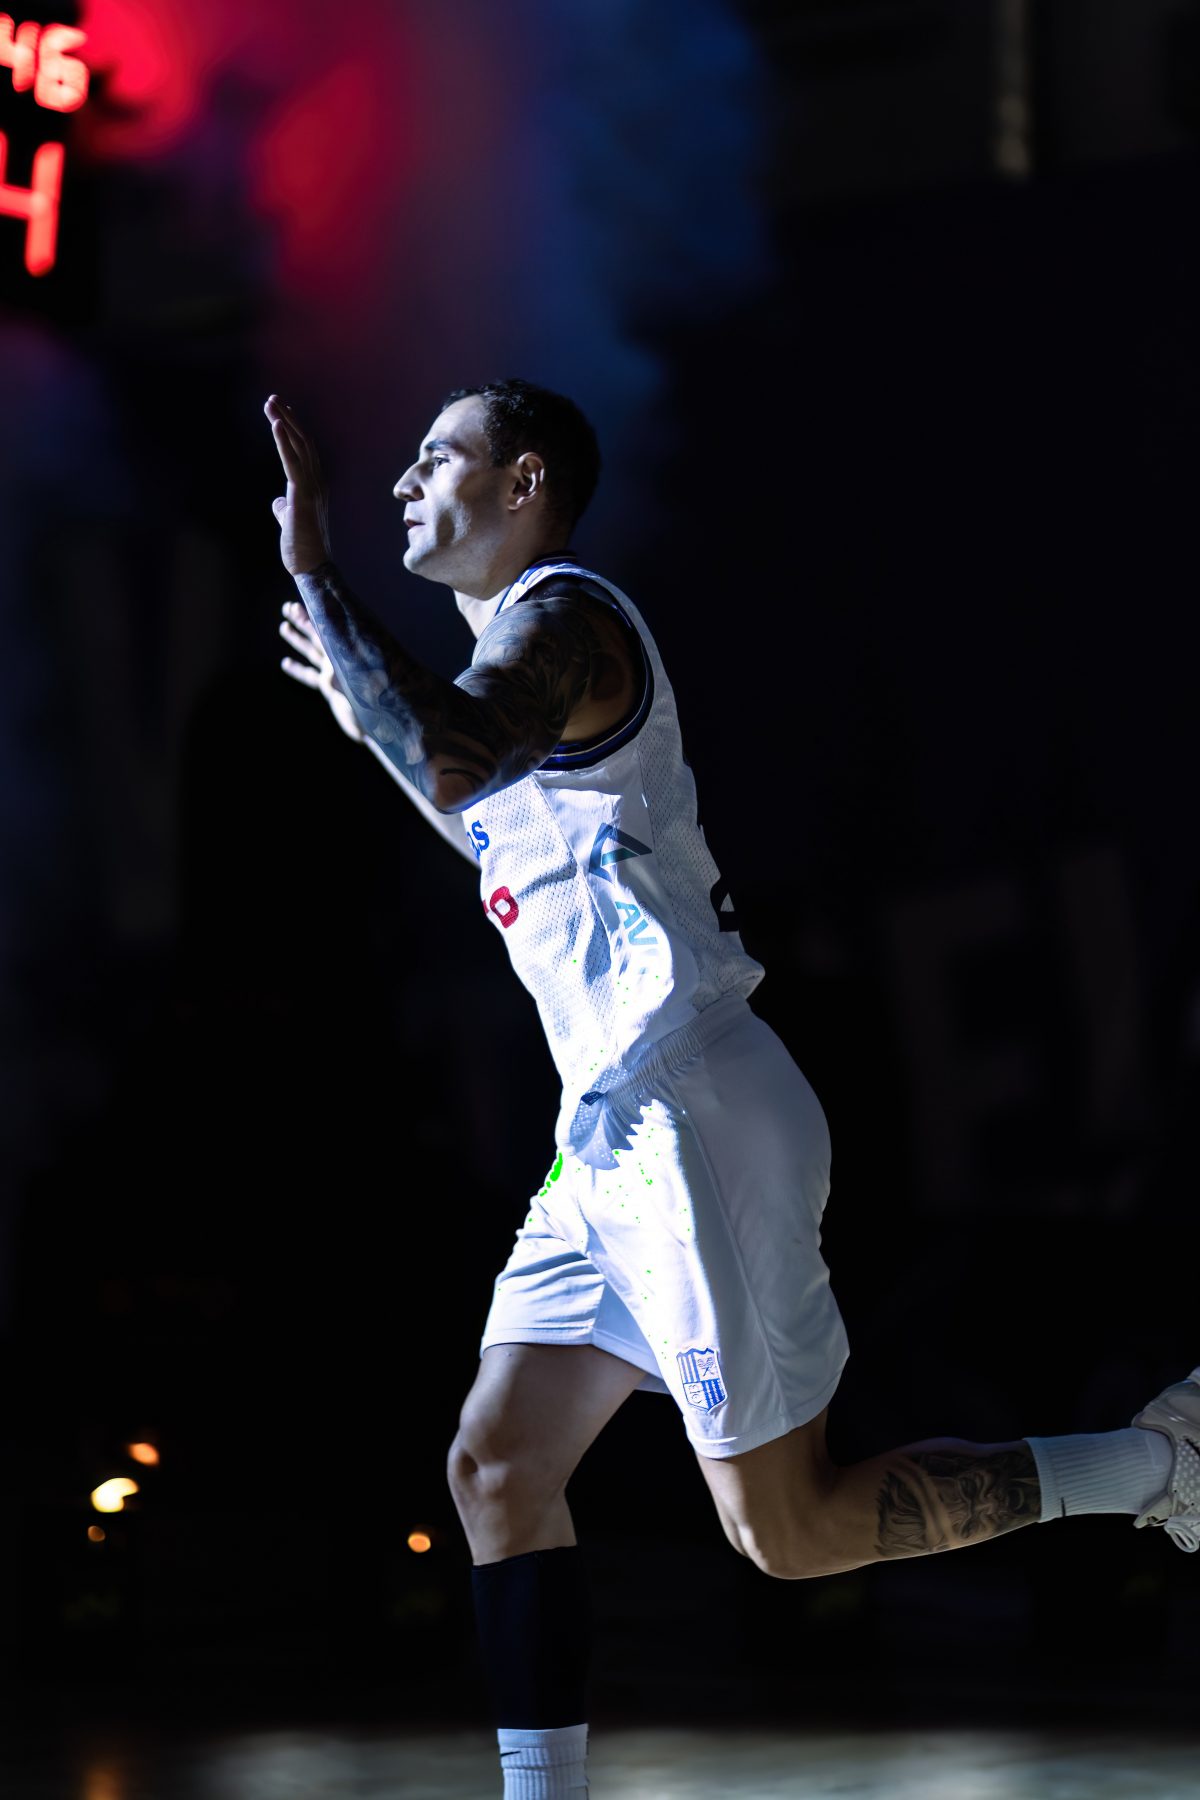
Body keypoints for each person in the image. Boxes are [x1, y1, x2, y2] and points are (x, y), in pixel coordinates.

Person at [266, 379, 1200, 1798]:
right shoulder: (509, 672)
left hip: (690, 1111)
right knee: (498, 1465)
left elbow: (453, 758)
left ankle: (1159, 1467)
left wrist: (317, 573)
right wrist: (369, 705)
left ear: (524, 484)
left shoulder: (566, 623)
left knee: (792, 1534)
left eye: (436, 456)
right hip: (610, 1133)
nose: (403, 479)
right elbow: (475, 793)